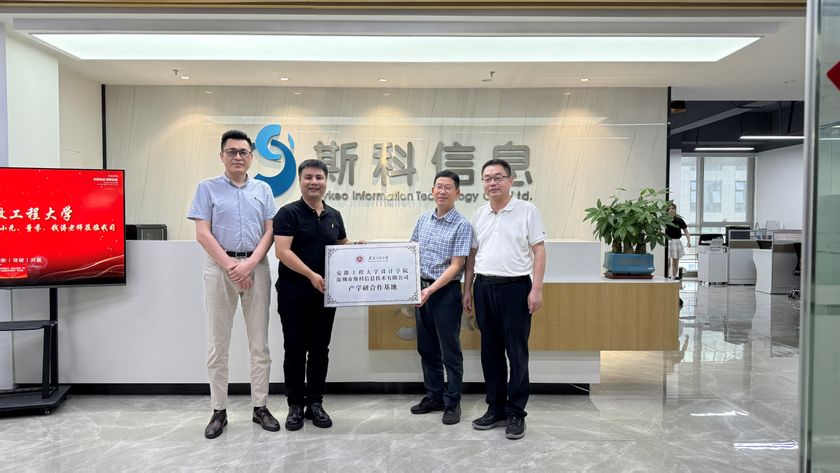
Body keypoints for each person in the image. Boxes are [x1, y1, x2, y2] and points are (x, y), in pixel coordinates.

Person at [188, 129, 280, 439]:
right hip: (219, 269)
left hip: (257, 268)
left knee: (259, 343)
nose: (238, 156)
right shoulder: (207, 188)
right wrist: (231, 266)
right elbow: (202, 233)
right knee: (218, 344)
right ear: (222, 156)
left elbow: (270, 231)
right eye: (232, 151)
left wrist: (250, 264)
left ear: (251, 156)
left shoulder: (263, 190)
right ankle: (219, 410)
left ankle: (260, 407)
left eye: (243, 152)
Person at [462, 158, 546, 440]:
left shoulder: (527, 211)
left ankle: (516, 412)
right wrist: (467, 289)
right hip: (484, 287)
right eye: (487, 178)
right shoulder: (479, 214)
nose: (493, 183)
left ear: (511, 181)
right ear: (483, 184)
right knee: (491, 351)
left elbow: (539, 251)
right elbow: (472, 255)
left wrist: (536, 289)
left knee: (517, 352)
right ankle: (495, 408)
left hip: (516, 289)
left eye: (498, 177)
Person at [273, 159, 358, 431]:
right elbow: (282, 251)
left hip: (326, 295)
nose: (314, 182)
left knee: (320, 350)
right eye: (308, 177)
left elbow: (340, 244)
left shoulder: (334, 215)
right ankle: (295, 406)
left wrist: (357, 248)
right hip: (294, 294)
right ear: (300, 181)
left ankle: (316, 403)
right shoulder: (288, 213)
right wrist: (311, 275)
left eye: (319, 177)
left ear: (326, 181)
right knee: (295, 351)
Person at [408, 170, 473, 425]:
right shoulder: (423, 219)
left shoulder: (462, 225)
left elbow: (457, 265)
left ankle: (452, 402)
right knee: (426, 348)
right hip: (421, 290)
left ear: (458, 193)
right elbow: (410, 252)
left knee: (450, 351)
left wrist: (431, 289)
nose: (442, 191)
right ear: (432, 191)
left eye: (448, 187)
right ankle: (434, 396)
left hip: (445, 293)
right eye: (439, 186)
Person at [666, 202, 691, 280]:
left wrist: (689, 241)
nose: (671, 210)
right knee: (667, 262)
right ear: (667, 210)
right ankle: (666, 277)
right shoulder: (664, 220)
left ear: (675, 210)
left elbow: (686, 231)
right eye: (669, 209)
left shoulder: (679, 220)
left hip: (676, 242)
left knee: (675, 262)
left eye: (673, 208)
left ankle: (673, 278)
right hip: (667, 242)